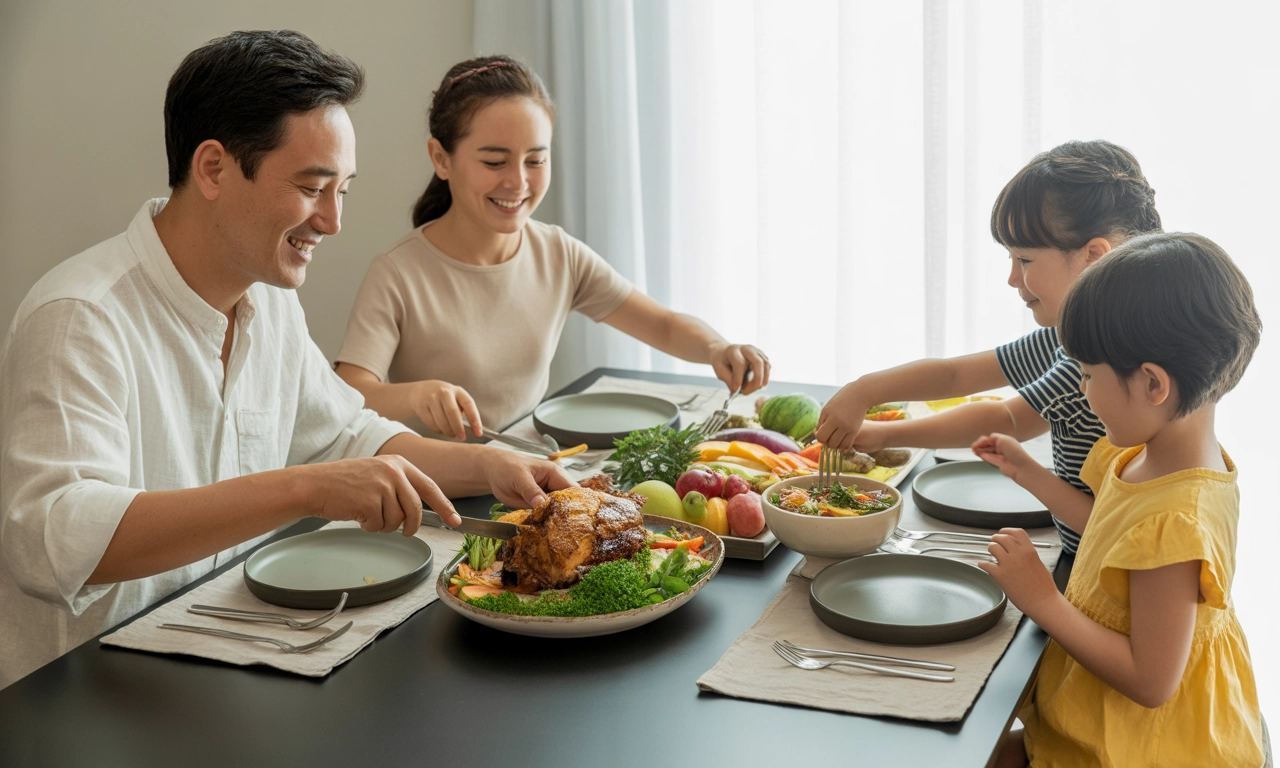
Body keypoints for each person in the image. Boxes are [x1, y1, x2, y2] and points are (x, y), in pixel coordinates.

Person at [0, 31, 572, 690]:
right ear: (213, 168)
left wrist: (490, 464)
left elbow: (346, 434)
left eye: (343, 191)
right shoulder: (80, 316)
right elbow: (53, 541)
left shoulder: (266, 302)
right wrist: (304, 488)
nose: (331, 221)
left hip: (217, 661)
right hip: (86, 693)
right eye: (311, 187)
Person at [334, 55, 770, 440]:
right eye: (494, 161)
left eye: (535, 160)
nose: (518, 182)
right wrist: (417, 396)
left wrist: (717, 348)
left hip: (526, 469)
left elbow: (663, 326)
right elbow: (352, 394)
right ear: (441, 158)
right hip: (435, 488)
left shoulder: (558, 253)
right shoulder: (397, 272)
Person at [974, 233, 1265, 766]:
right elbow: (1109, 529)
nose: (1082, 391)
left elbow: (1151, 680)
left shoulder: (1179, 518)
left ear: (1153, 384)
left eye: (1087, 375)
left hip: (1137, 747)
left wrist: (1041, 599)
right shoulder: (1147, 456)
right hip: (1095, 717)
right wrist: (1029, 472)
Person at [814, 140, 1161, 553]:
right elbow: (957, 374)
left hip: (1107, 566)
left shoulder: (1097, 361)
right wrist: (867, 389)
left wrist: (883, 432)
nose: (1013, 279)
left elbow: (1005, 420)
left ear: (1093, 256)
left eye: (1024, 260)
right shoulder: (1071, 335)